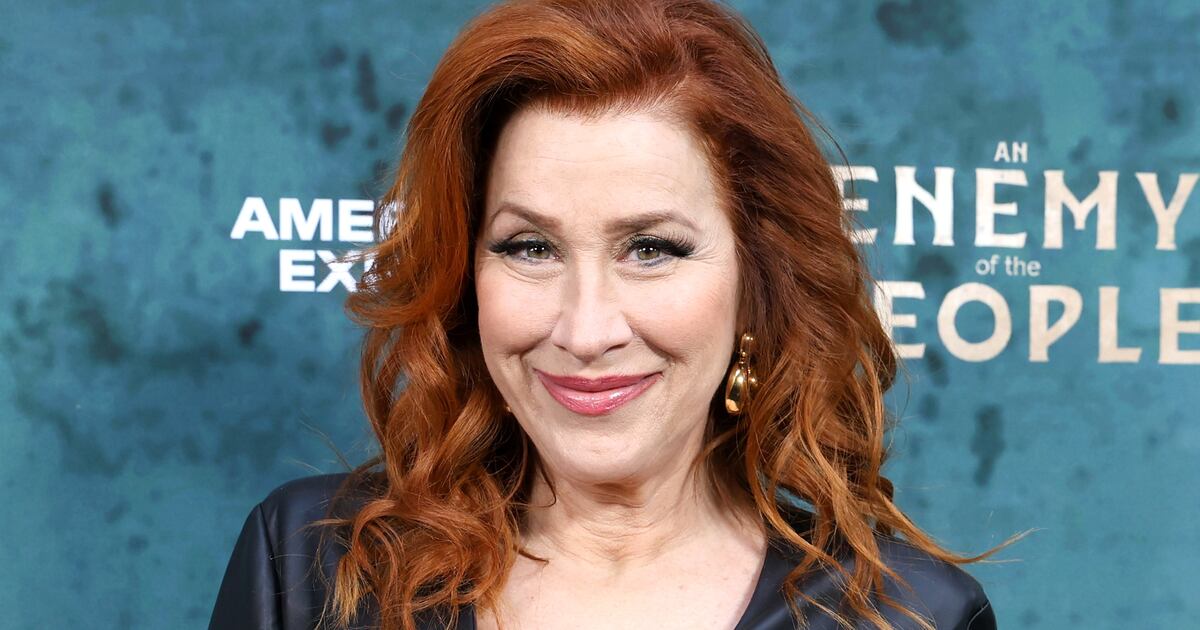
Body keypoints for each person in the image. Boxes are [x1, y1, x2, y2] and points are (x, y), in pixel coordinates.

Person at [210, 0, 1024, 628]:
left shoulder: (908, 616)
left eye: (652, 249)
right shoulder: (310, 568)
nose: (586, 330)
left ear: (758, 278)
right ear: (466, 277)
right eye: (531, 247)